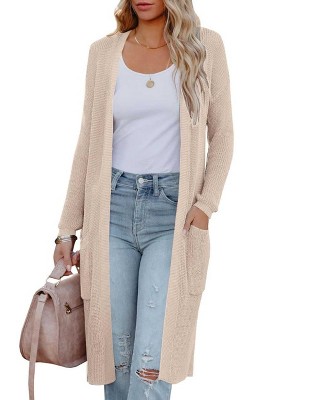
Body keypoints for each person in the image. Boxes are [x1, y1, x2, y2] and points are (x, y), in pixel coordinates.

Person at [54, 1, 234, 399]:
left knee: (151, 360)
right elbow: (88, 145)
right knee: (117, 356)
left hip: (174, 215)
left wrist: (206, 205)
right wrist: (67, 231)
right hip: (111, 211)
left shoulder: (206, 46)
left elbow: (222, 134)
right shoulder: (103, 53)